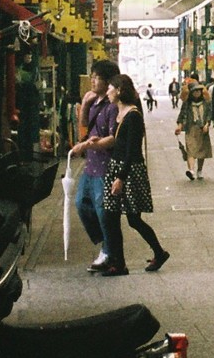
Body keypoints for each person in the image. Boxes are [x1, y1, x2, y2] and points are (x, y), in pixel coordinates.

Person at [100, 73, 169, 275]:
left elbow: (131, 151)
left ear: (119, 90)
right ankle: (118, 263)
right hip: (117, 168)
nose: (107, 92)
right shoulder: (117, 112)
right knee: (111, 216)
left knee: (133, 219)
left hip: (128, 171)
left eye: (110, 88)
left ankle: (158, 251)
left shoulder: (134, 116)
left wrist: (120, 177)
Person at [69, 58, 119, 271]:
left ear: (108, 81)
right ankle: (105, 244)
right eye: (92, 76)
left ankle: (109, 252)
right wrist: (85, 106)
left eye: (97, 77)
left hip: (105, 166)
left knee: (102, 210)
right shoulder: (93, 103)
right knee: (81, 203)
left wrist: (88, 145)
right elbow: (83, 133)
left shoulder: (112, 107)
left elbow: (112, 138)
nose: (92, 80)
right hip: (91, 166)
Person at [175, 80, 211, 180]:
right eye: (195, 91)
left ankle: (199, 170)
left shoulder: (206, 103)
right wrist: (179, 126)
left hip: (202, 129)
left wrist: (207, 125)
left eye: (198, 91)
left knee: (201, 151)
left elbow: (209, 114)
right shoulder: (187, 104)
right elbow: (182, 116)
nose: (197, 93)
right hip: (191, 129)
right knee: (190, 150)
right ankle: (191, 170)